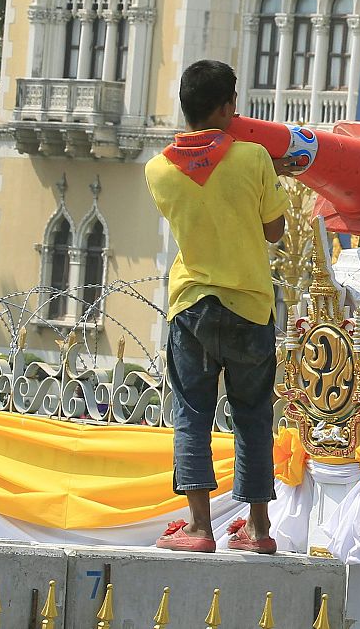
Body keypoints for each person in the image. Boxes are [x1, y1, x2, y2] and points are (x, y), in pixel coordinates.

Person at [145, 59, 287, 554]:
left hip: (192, 306)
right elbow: (274, 231)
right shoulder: (254, 158)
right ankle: (259, 528)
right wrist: (269, 177)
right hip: (250, 306)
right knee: (253, 416)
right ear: (228, 107)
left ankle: (199, 527)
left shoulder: (157, 170)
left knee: (193, 414)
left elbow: (204, 185)